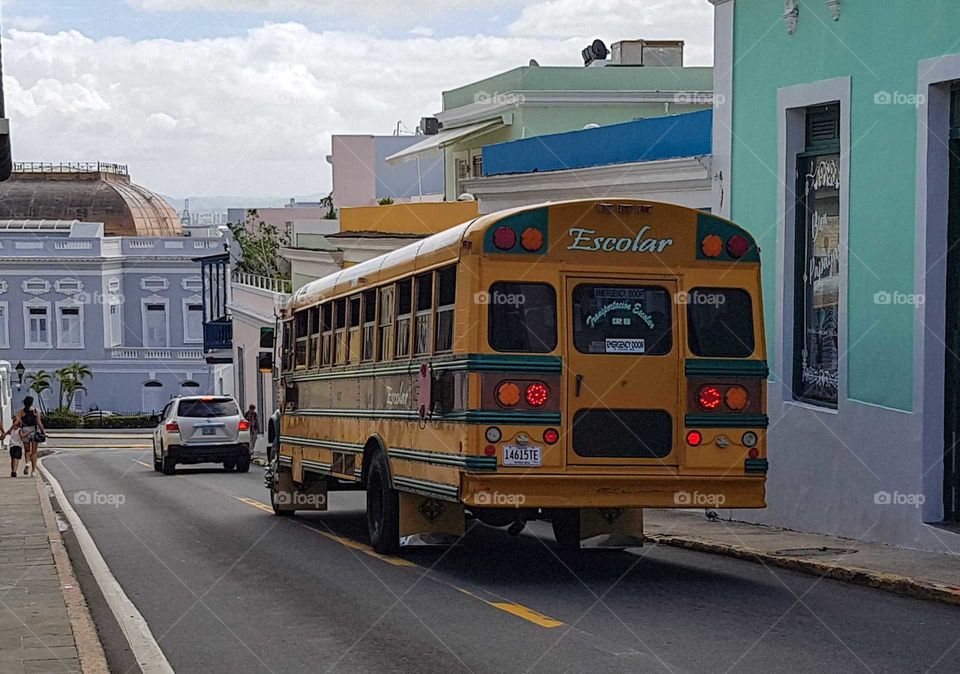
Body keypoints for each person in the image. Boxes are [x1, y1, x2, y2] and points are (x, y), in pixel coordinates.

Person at [11, 396, 44, 477]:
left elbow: (16, 422)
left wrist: (12, 429)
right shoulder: (36, 411)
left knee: (26, 451)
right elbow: (39, 423)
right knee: (34, 452)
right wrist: (43, 431)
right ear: (32, 403)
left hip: (24, 431)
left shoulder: (21, 411)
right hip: (33, 430)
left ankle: (27, 463)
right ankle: (33, 471)